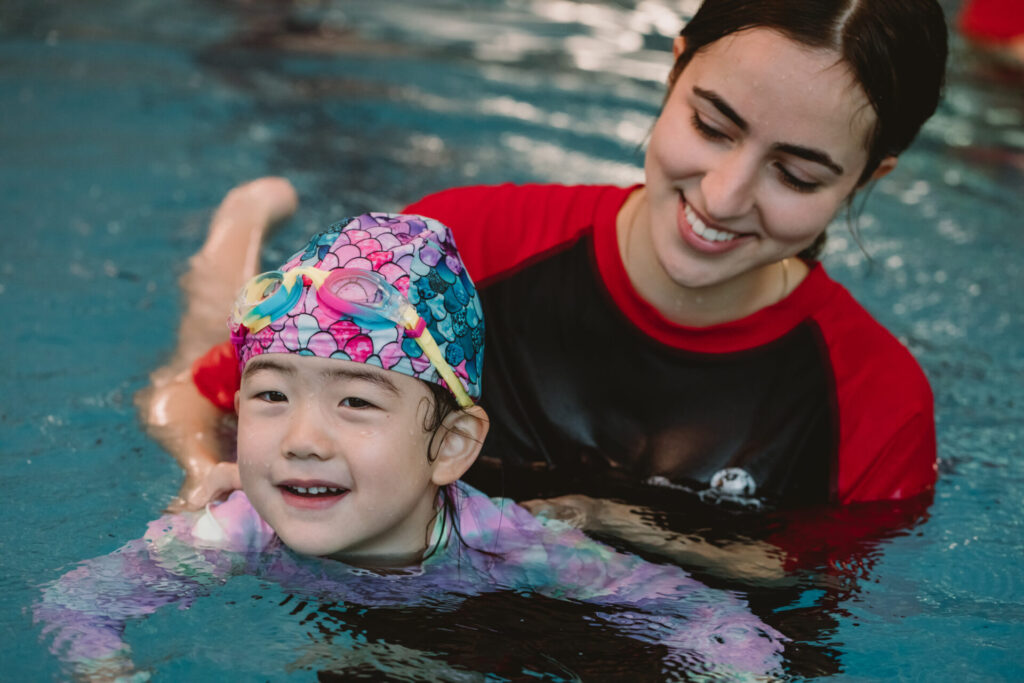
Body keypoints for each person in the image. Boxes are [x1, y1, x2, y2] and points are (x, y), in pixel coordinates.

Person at [36, 190, 785, 680]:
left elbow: (705, 614)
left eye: (356, 403)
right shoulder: (238, 528)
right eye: (271, 394)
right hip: (217, 438)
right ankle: (236, 226)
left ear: (452, 445)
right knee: (186, 365)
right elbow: (76, 603)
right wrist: (108, 670)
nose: (301, 437)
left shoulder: (505, 540)